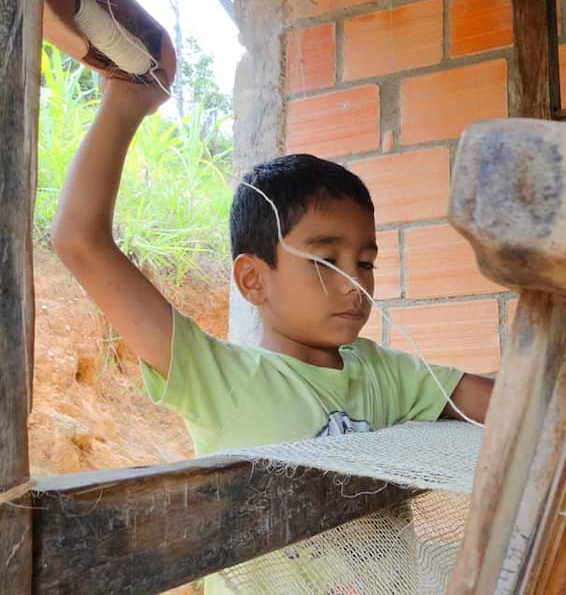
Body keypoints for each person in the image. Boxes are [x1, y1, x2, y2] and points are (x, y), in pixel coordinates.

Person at [52, 75, 494, 591]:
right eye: (327, 261)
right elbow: (80, 240)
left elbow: (504, 405)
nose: (356, 285)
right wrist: (127, 101)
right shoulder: (219, 379)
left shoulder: (387, 374)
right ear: (252, 279)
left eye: (366, 262)